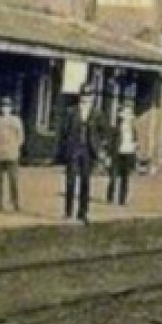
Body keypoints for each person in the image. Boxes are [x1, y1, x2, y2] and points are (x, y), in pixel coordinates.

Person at [58, 87, 105, 223]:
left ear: (93, 98)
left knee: (85, 181)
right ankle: (68, 211)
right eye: (84, 95)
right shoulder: (71, 111)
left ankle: (83, 212)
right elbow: (64, 131)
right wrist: (65, 148)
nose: (86, 98)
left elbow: (103, 131)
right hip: (73, 149)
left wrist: (98, 145)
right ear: (80, 97)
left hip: (88, 150)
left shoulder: (97, 113)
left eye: (89, 96)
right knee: (70, 180)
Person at [0, 97, 25, 212]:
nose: (5, 109)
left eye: (7, 107)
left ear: (11, 108)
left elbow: (21, 137)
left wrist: (16, 147)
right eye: (3, 107)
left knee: (13, 180)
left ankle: (15, 202)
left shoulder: (16, 121)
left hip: (12, 153)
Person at [106, 104, 139, 206]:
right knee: (113, 177)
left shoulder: (133, 129)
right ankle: (110, 197)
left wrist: (135, 146)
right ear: (121, 115)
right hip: (117, 154)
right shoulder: (115, 128)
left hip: (128, 154)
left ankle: (122, 199)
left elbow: (135, 141)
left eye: (130, 113)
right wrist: (108, 156)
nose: (128, 116)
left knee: (125, 178)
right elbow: (111, 143)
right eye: (126, 113)